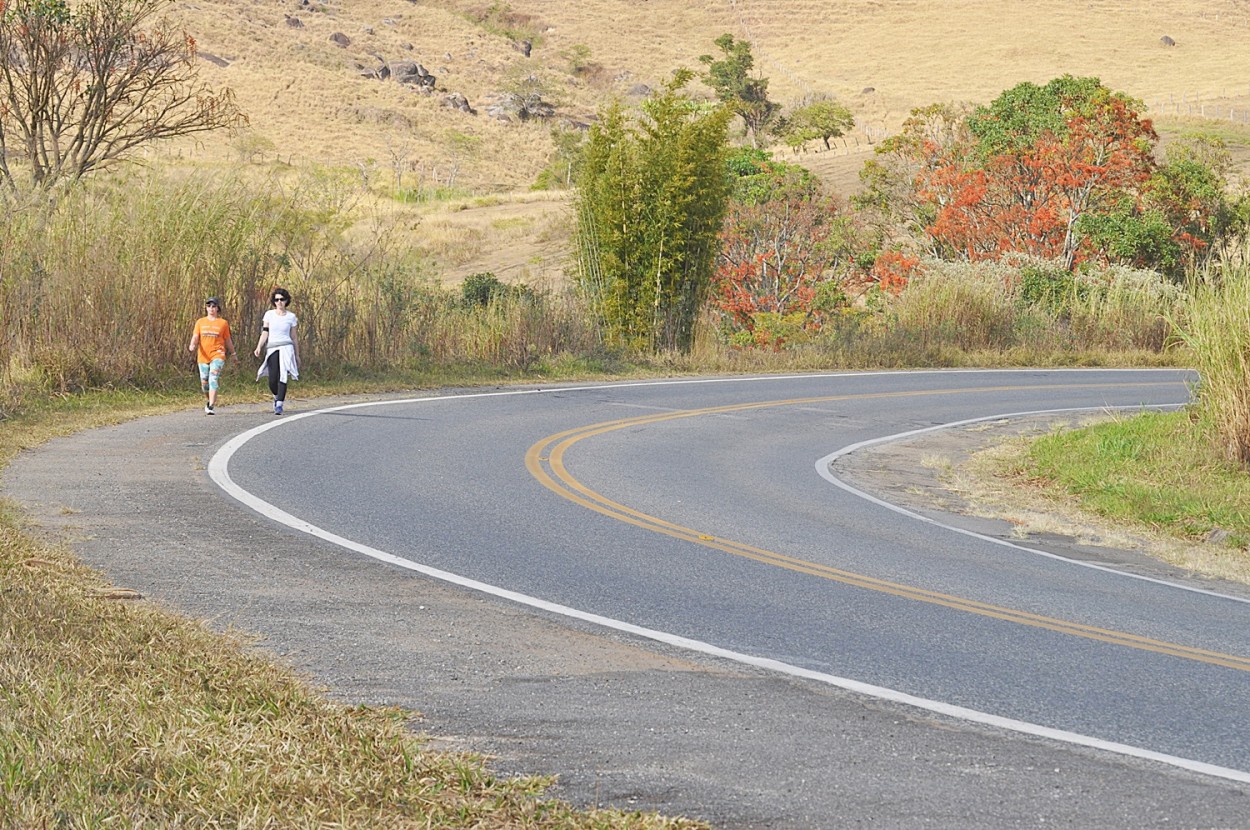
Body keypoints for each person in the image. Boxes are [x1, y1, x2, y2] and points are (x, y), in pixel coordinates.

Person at [254, 287, 300, 415]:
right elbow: (265, 332)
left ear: (286, 301)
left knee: (283, 376)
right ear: (274, 301)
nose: (279, 302)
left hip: (286, 347)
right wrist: (259, 347)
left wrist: (297, 355)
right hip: (273, 347)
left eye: (282, 299)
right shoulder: (269, 314)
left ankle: (280, 404)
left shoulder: (291, 317)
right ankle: (276, 396)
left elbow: (294, 337)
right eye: (277, 300)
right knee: (273, 378)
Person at [188, 297, 237, 415]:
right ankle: (209, 399)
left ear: (217, 308)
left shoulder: (223, 323)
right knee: (204, 383)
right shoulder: (200, 322)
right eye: (209, 306)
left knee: (213, 378)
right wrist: (192, 345)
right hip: (203, 356)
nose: (211, 308)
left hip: (218, 354)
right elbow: (196, 336)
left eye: (213, 306)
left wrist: (233, 353)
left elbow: (227, 339)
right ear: (206, 308)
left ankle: (211, 406)